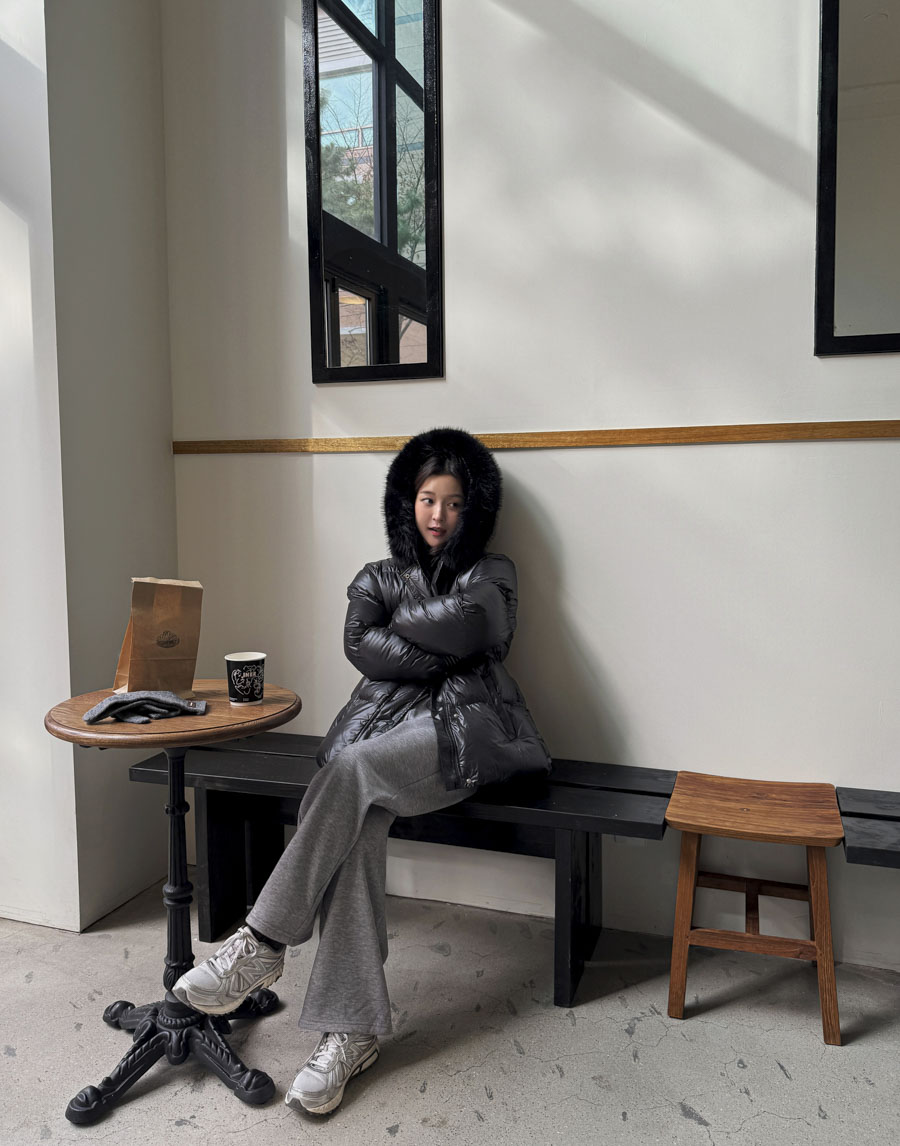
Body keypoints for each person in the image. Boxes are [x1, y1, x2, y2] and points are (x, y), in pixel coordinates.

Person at [173, 427, 550, 1115]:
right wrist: (436, 639)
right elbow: (358, 643)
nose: (439, 515)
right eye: (427, 500)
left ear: (473, 510)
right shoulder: (380, 572)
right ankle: (352, 1030)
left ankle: (262, 940)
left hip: (458, 739)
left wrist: (399, 626)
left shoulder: (494, 571)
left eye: (454, 503)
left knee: (352, 771)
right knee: (360, 819)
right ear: (407, 503)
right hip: (379, 743)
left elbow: (473, 625)